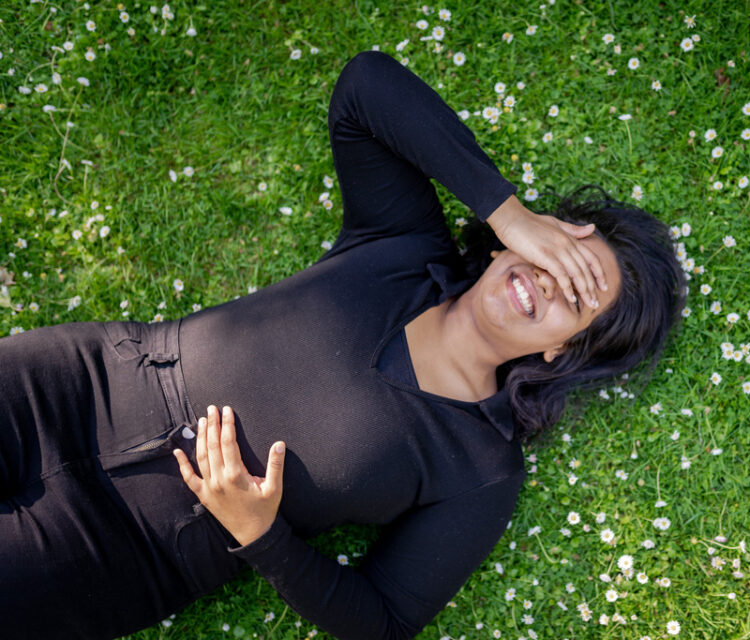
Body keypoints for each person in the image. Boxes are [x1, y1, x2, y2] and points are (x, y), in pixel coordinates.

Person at [0, 51, 685, 639]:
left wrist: (263, 537)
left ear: (565, 351)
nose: (544, 281)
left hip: (124, 553)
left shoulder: (480, 468)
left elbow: (384, 620)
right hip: (71, 387)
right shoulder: (405, 245)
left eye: (575, 296)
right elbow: (364, 87)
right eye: (557, 254)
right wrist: (508, 211)